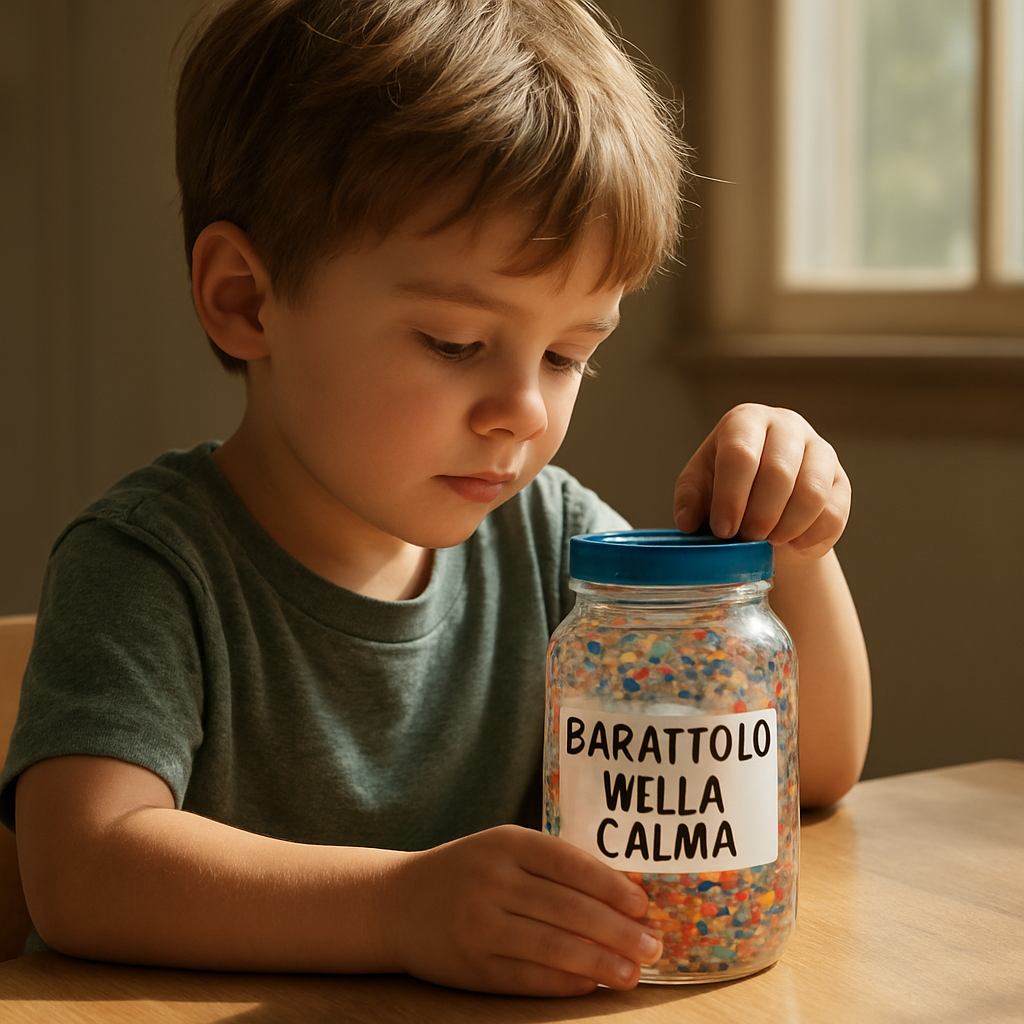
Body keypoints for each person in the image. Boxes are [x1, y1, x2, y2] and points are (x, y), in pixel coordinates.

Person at [0, 0, 871, 998]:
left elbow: (810, 773)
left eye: (567, 354)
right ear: (246, 298)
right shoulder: (151, 562)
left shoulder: (554, 540)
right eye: (455, 343)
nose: (520, 411)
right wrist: (398, 907)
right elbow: (82, 870)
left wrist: (787, 550)